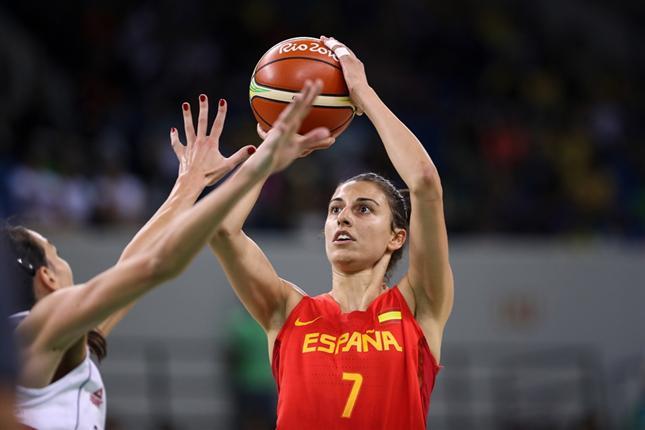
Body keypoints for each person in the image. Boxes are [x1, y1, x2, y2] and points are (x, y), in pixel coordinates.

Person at [2, 81, 331, 430]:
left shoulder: (53, 342)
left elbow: (130, 264)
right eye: (56, 253)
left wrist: (189, 184)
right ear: (46, 277)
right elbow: (155, 264)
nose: (64, 261)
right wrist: (261, 164)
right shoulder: (38, 326)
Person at [208, 36, 454, 430]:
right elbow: (221, 230)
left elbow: (424, 182)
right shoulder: (288, 311)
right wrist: (271, 151)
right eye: (335, 209)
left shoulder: (416, 305)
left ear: (397, 237)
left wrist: (364, 95)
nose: (343, 218)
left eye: (363, 209)